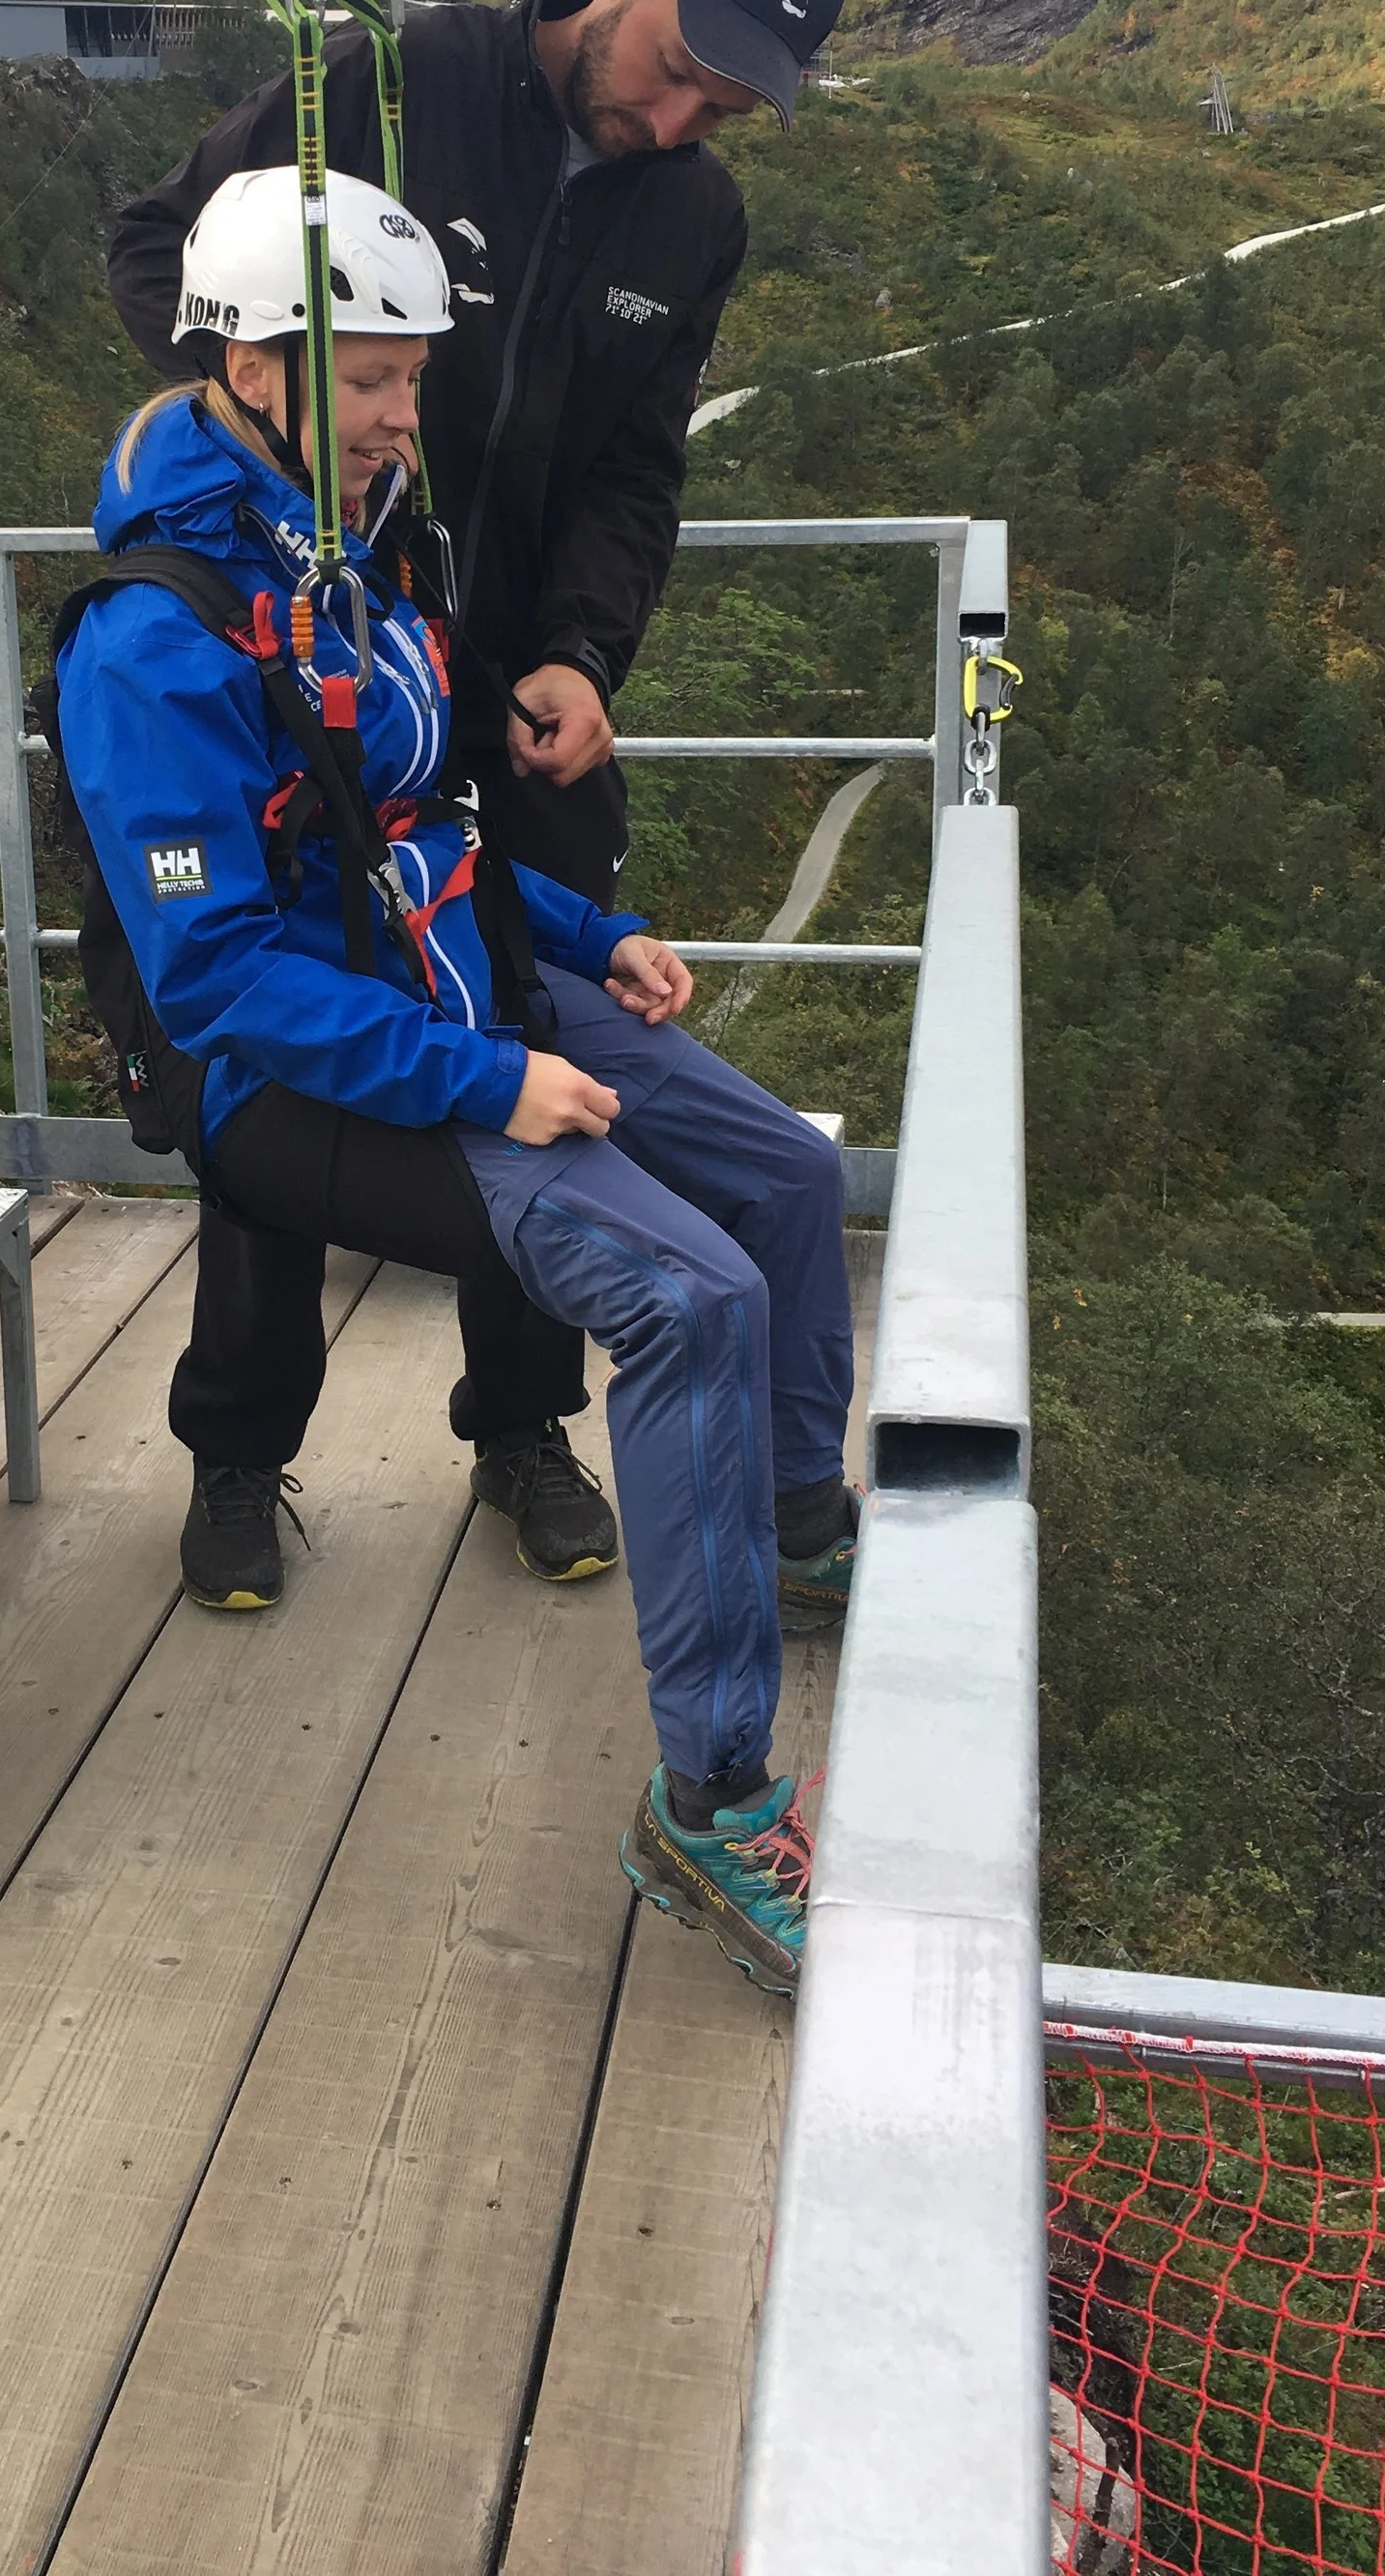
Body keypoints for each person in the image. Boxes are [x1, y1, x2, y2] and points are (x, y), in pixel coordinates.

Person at [54, 167, 857, 1995]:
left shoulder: (364, 545)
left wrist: (589, 931)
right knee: (686, 1293)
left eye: (415, 376)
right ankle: (712, 1805)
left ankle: (795, 1529)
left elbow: (422, 818)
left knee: (790, 1186)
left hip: (458, 986)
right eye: (371, 381)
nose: (409, 417)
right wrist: (491, 1081)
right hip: (306, 1073)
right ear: (253, 363)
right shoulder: (158, 634)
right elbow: (223, 973)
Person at [109, 0, 852, 1605]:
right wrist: (269, 442)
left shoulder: (694, 218)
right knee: (302, 1004)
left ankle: (522, 1429)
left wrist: (588, 657)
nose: (678, 118)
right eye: (675, 68)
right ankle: (239, 1451)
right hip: (318, 639)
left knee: (527, 1027)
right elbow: (166, 245)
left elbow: (639, 468)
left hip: (503, 701)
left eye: (724, 108)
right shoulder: (398, 79)